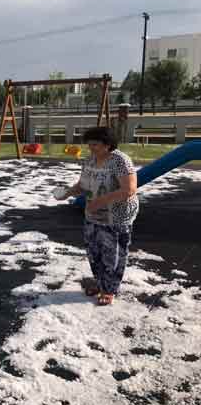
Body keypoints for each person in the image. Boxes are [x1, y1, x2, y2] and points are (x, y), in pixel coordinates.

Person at [57, 126, 138, 305]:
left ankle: (110, 290)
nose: (91, 148)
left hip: (116, 216)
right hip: (93, 214)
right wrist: (68, 193)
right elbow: (82, 185)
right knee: (94, 252)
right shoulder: (90, 160)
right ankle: (101, 283)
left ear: (107, 145)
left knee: (113, 253)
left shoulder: (120, 161)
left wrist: (101, 201)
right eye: (89, 144)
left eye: (95, 144)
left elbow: (129, 189)